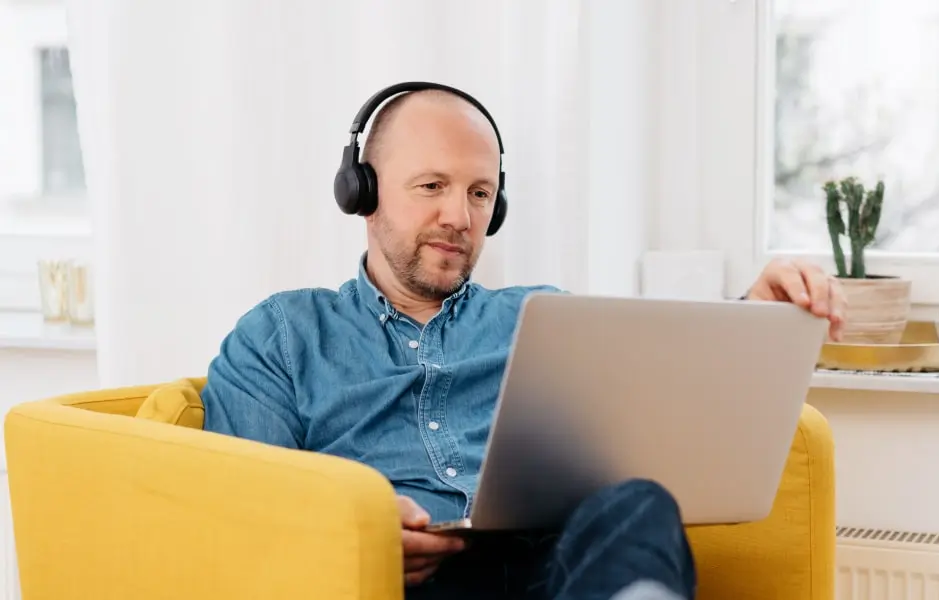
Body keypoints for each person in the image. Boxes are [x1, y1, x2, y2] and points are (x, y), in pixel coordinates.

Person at [200, 82, 846, 600]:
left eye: (480, 193)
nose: (460, 216)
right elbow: (236, 507)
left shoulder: (543, 319)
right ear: (362, 193)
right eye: (431, 187)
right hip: (397, 584)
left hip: (555, 574)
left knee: (638, 502)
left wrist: (756, 315)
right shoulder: (281, 336)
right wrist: (350, 533)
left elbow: (669, 412)